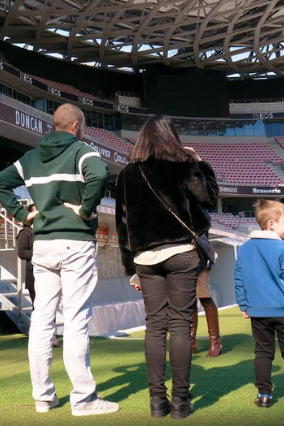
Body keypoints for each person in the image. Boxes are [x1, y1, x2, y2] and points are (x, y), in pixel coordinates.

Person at [0, 103, 118, 416]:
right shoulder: (82, 151)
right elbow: (101, 174)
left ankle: (44, 397)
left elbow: (0, 183)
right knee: (76, 319)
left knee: (42, 319)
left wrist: (22, 214)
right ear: (76, 126)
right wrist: (86, 209)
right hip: (75, 243)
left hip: (44, 244)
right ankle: (84, 399)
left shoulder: (31, 157)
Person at [115, 115, 218, 419]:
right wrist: (199, 163)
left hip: (145, 257)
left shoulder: (127, 173)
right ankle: (181, 401)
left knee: (155, 326)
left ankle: (157, 402)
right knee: (180, 324)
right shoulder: (182, 164)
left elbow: (122, 225)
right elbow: (208, 196)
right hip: (181, 253)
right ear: (172, 137)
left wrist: (130, 267)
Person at [235, 199, 284, 409]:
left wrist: (243, 304)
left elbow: (239, 278)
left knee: (262, 353)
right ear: (271, 224)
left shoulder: (244, 249)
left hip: (258, 312)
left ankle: (264, 395)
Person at [16, 203, 59, 348]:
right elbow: (22, 253)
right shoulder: (25, 232)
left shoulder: (47, 231)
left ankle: (49, 335)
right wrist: (41, 254)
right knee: (39, 306)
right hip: (34, 273)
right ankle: (41, 336)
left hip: (50, 272)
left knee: (51, 304)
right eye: (36, 213)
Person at [191, 268, 222, 357]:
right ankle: (191, 342)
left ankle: (215, 342)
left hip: (200, 264)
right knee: (189, 300)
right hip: (181, 265)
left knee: (205, 297)